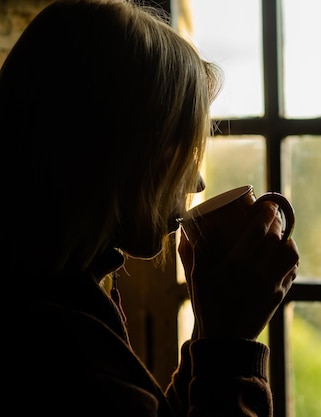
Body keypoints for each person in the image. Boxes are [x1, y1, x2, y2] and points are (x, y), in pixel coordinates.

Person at [1, 0, 299, 416]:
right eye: (180, 153)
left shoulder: (64, 291)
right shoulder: (54, 345)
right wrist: (232, 348)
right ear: (118, 154)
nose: (198, 182)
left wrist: (210, 336)